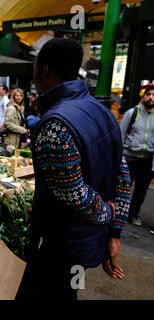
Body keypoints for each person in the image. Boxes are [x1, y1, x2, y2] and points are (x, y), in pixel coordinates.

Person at [17, 38, 131, 300]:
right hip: (85, 240)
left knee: (49, 293)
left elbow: (74, 194)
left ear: (44, 70)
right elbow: (123, 175)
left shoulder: (54, 125)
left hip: (60, 243)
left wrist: (108, 213)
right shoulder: (101, 111)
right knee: (68, 292)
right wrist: (115, 230)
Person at [119, 84, 154, 227]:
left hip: (148, 159)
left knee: (141, 190)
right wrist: (120, 157)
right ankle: (119, 212)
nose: (151, 98)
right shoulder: (132, 113)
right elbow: (120, 134)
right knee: (123, 186)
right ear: (143, 96)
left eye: (153, 95)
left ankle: (133, 214)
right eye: (149, 94)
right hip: (130, 157)